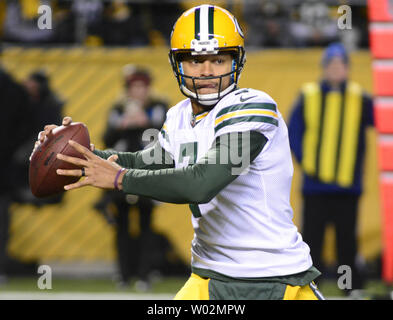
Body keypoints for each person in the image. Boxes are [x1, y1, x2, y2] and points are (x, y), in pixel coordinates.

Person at [33, 5, 324, 300]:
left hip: (275, 279)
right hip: (209, 277)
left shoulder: (252, 105)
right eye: (196, 61)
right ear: (177, 64)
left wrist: (120, 178)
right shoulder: (180, 115)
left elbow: (201, 183)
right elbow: (147, 163)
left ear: (237, 61)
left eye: (219, 59)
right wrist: (81, 155)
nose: (207, 71)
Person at [287, 42, 374, 294]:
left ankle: (350, 288)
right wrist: (309, 164)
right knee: (311, 240)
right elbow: (294, 134)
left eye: (340, 65)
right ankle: (309, 288)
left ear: (347, 68)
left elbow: (382, 121)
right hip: (315, 186)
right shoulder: (309, 94)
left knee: (347, 241)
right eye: (331, 65)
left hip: (348, 186)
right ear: (324, 68)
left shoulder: (360, 97)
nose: (336, 69)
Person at [94, 65, 168, 290]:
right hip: (121, 172)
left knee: (147, 224)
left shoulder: (159, 108)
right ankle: (124, 275)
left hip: (149, 172)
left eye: (142, 87)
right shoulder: (118, 109)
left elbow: (167, 138)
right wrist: (123, 125)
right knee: (122, 226)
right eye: (134, 87)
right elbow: (107, 138)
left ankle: (145, 274)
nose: (138, 92)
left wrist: (145, 124)